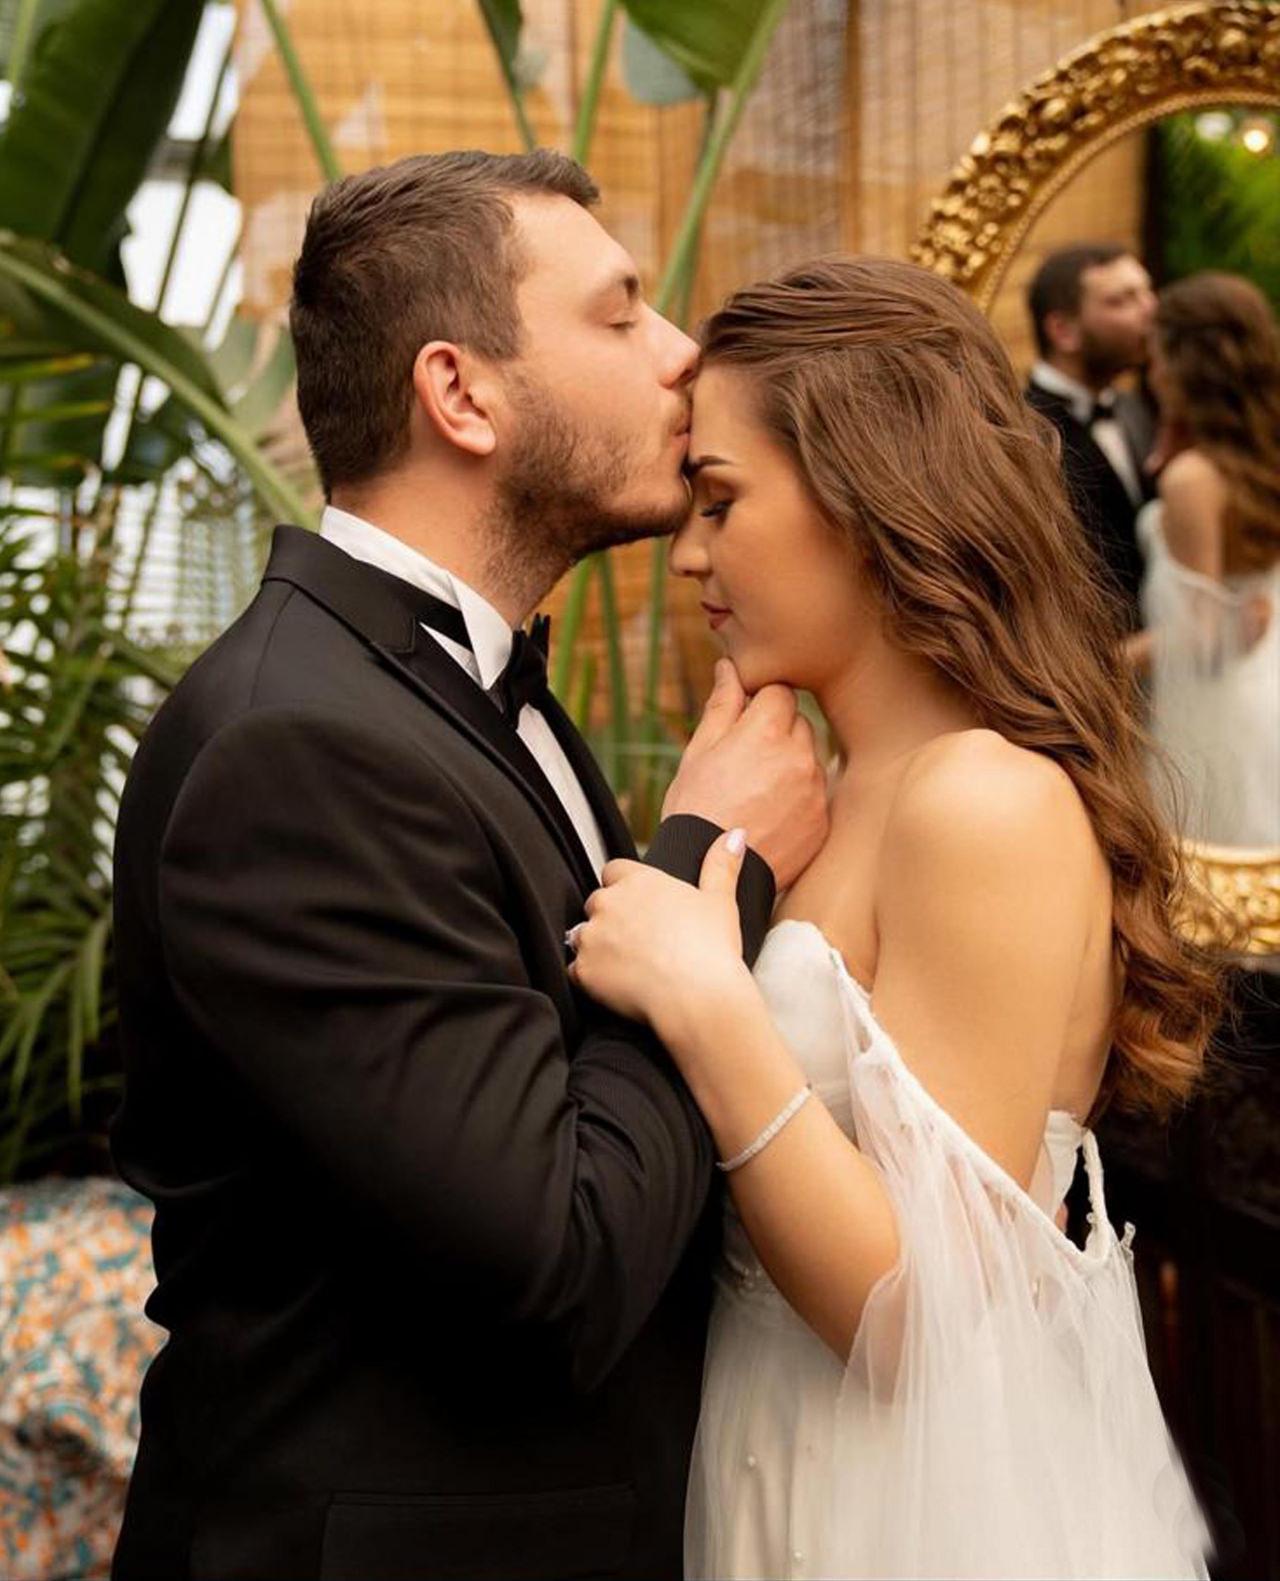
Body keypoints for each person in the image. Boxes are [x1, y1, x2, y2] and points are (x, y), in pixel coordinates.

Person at [108, 150, 829, 1581]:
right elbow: (560, 1261)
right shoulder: (295, 749)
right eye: (620, 315)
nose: (680, 354)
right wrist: (710, 869)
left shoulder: (446, 687)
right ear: (461, 393)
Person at [568, 256, 1220, 1579]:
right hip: (766, 1453)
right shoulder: (836, 788)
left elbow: (923, 1318)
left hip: (904, 1510)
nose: (687, 554)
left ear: (867, 497)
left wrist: (701, 996)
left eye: (720, 500)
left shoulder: (984, 802)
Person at [1135, 271, 1280, 848]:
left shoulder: (1193, 480)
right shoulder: (1260, 457)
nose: (1150, 374)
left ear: (1180, 365)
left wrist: (1103, 665)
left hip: (1221, 710)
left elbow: (1205, 635)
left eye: (1154, 357)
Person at [1025, 244, 1158, 629]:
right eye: (1122, 300)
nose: (1151, 309)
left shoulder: (1135, 407)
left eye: (1146, 292)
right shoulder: (1022, 431)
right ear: (1063, 331)